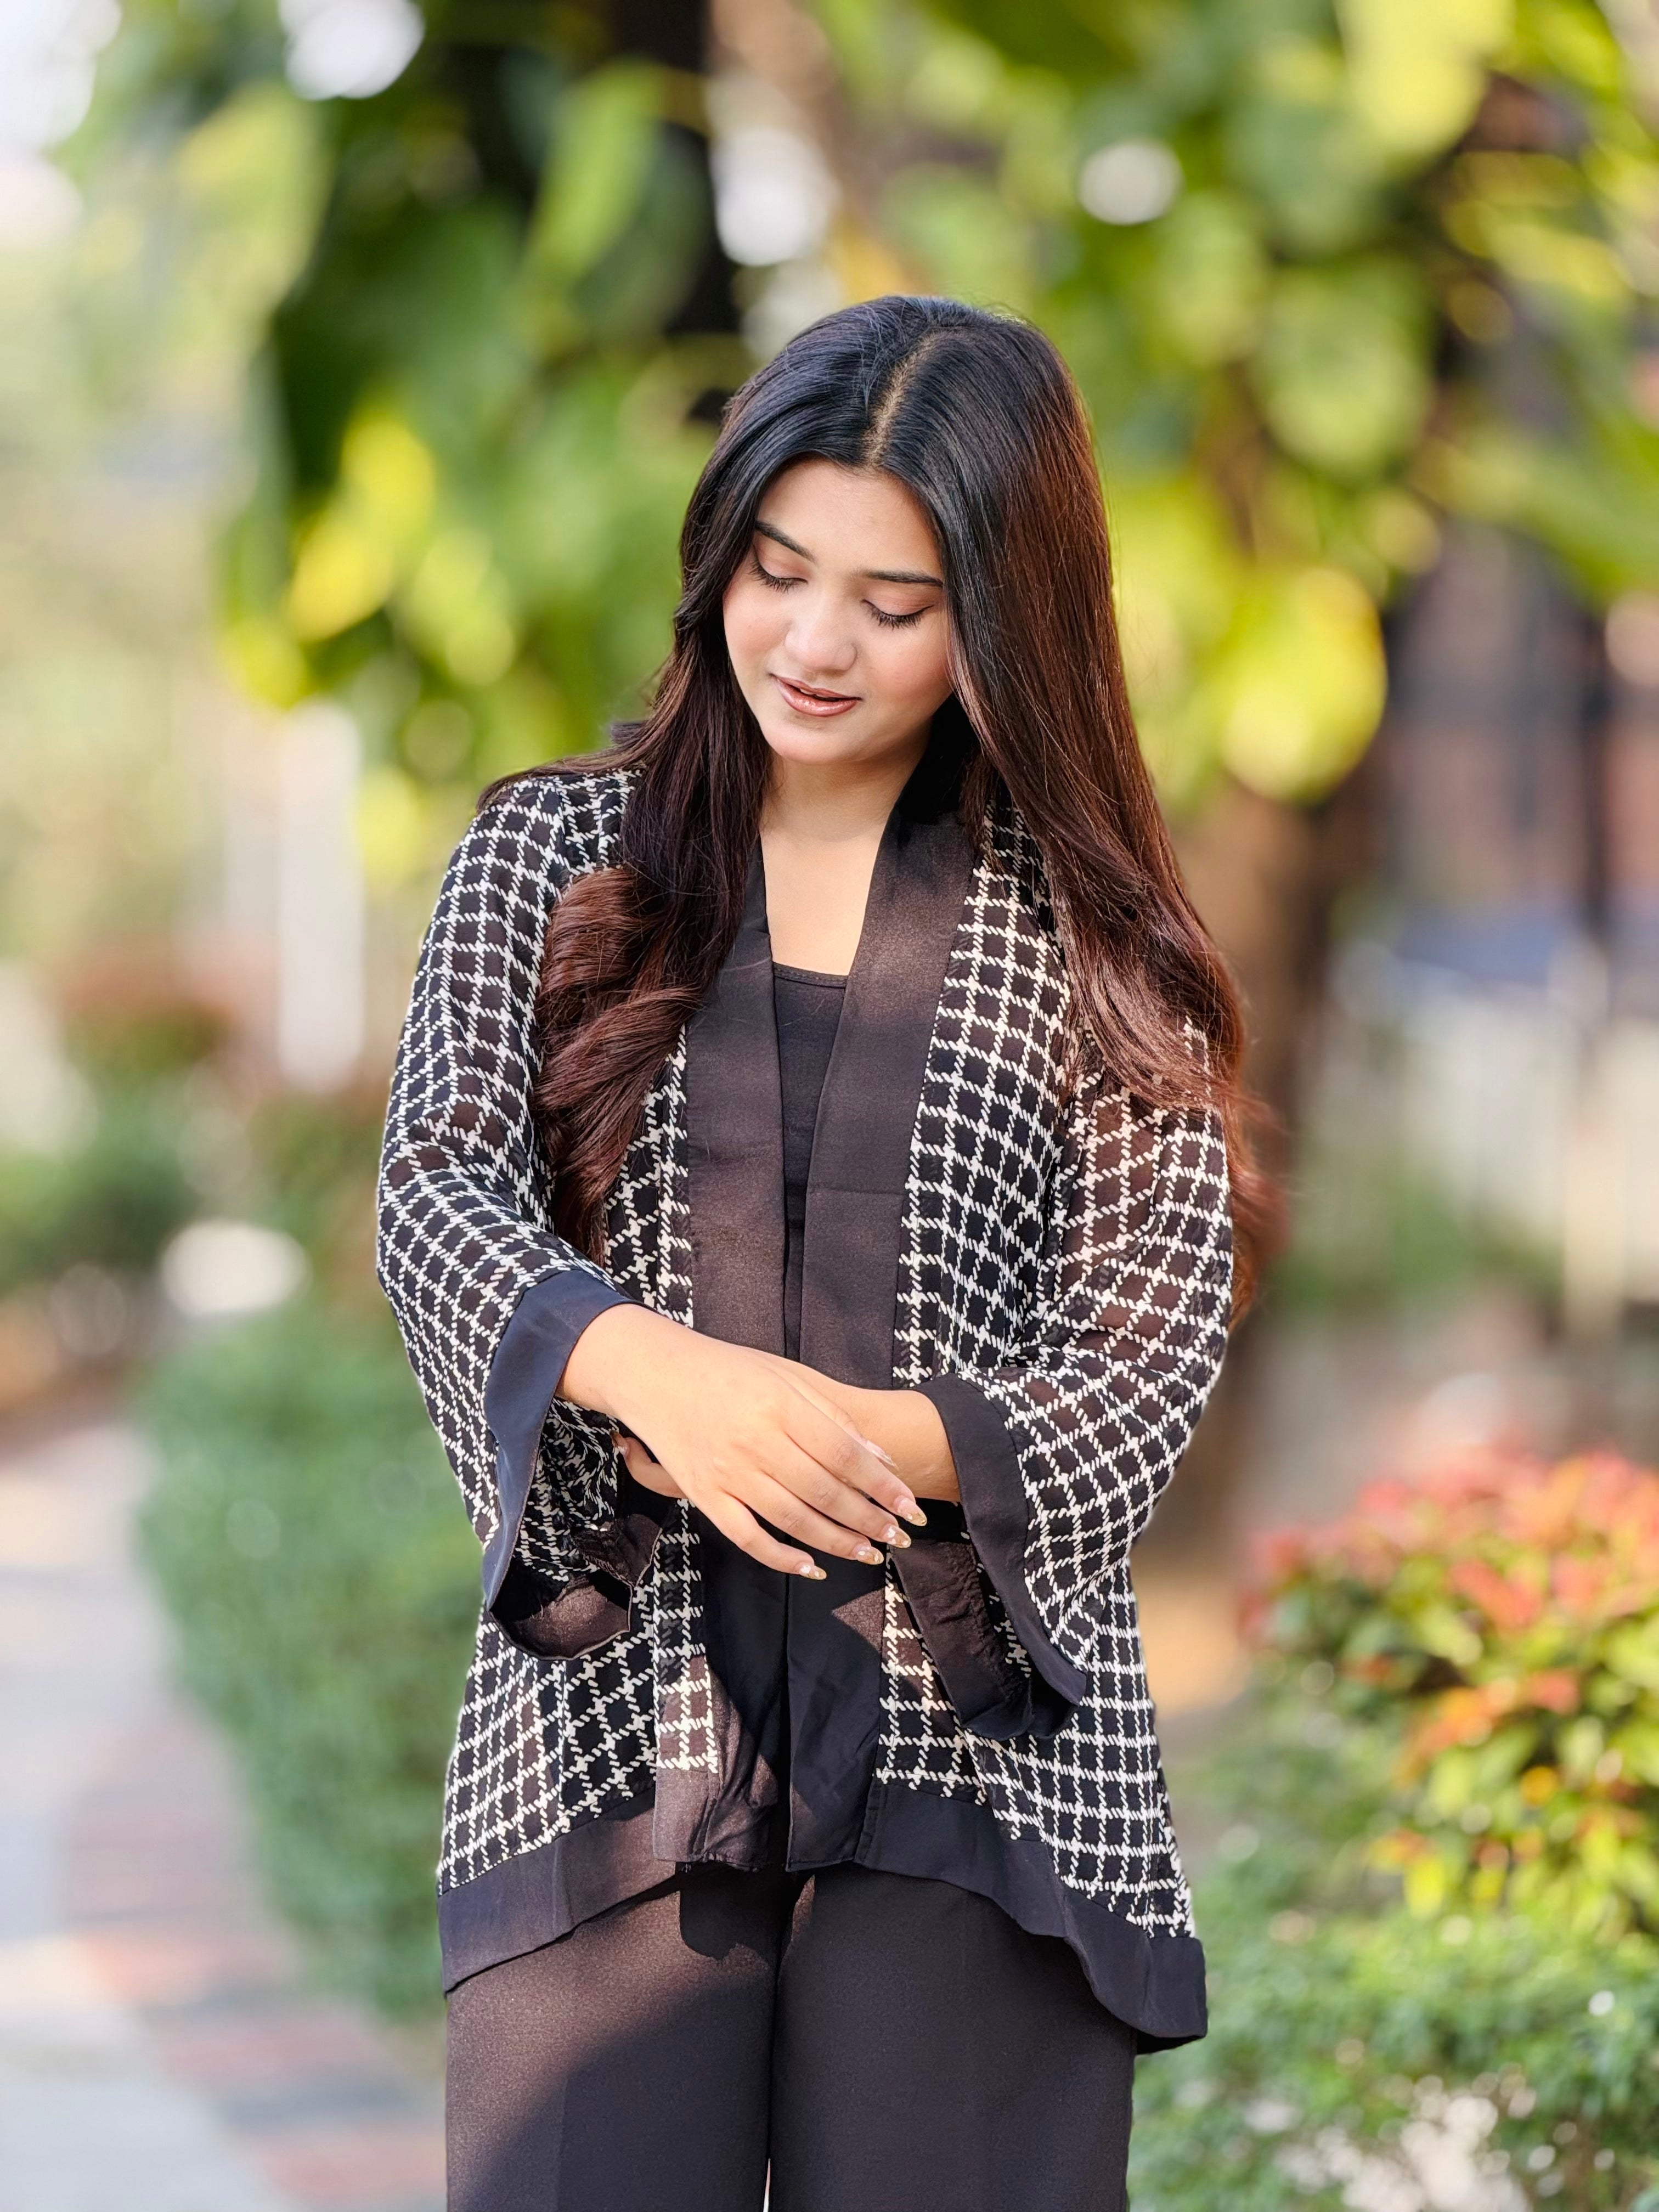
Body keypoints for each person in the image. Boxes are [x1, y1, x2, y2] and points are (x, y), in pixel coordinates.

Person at [375, 293, 1271, 2212]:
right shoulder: (552, 857)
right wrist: (665, 1383)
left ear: (1002, 620)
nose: (813, 641)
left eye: (895, 600)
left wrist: (832, 1445)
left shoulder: (1093, 933)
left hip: (983, 1769)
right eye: (778, 570)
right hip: (609, 1743)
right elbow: (438, 1191)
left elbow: (1151, 1340)